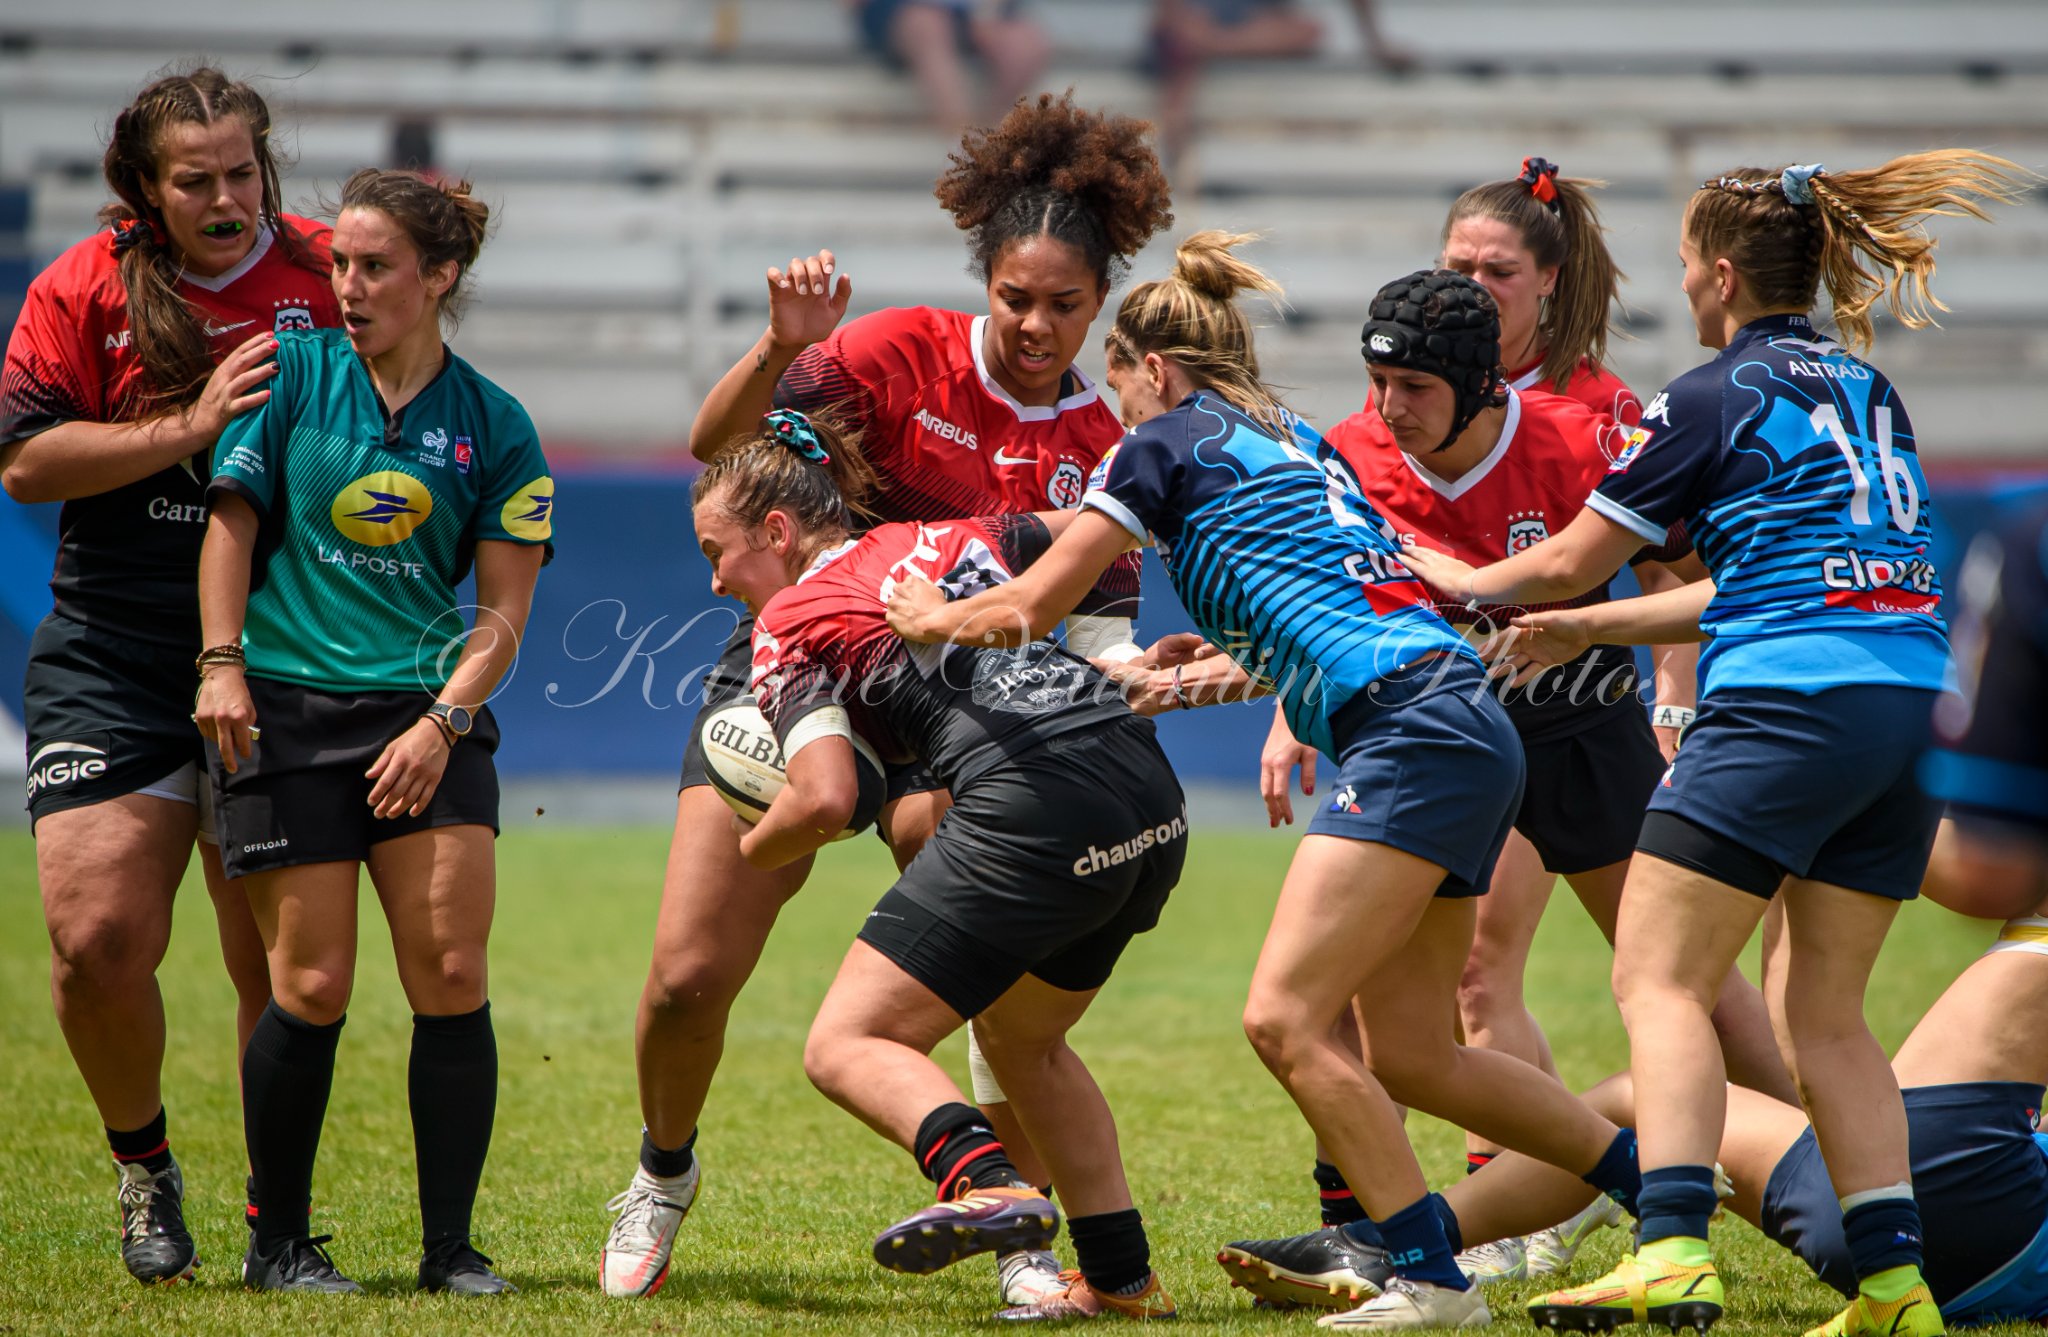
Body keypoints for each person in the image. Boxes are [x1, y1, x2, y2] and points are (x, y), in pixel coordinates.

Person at [889, 231, 1651, 1331]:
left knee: (1283, 1018)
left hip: (1411, 734)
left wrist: (926, 617)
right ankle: (1660, 1187)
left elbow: (1032, 604)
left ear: (1149, 368)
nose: (1113, 416)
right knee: (1412, 1051)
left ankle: (1433, 1283)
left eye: (1115, 386)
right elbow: (1337, 624)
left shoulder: (1154, 446)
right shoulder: (1295, 439)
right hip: (1463, 720)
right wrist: (1194, 673)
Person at [1398, 151, 2032, 1335]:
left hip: (1787, 704)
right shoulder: (1863, 389)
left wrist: (1461, 579)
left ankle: (1671, 1245)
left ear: (1723, 273)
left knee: (1657, 977)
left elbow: (1561, 554)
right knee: (1827, 1016)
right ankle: (1895, 1290)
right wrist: (1583, 627)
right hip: (1905, 698)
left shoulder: (1704, 396)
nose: (1683, 284)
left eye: (1687, 263)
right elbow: (1761, 581)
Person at [600, 92, 1173, 1305]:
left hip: (953, 716)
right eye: (1014, 297)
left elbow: (1099, 630)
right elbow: (725, 451)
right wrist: (777, 345)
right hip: (802, 665)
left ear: (1101, 297)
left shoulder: (1094, 438)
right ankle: (661, 1169)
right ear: (984, 278)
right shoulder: (891, 353)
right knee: (686, 976)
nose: (1034, 324)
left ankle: (1016, 1237)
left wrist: (1161, 679)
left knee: (984, 957)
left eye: (1064, 305)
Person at [1231, 267, 1789, 1294]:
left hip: (1581, 731)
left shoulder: (1581, 435)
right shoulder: (1348, 453)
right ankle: (1380, 1229)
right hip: (1434, 737)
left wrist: (1672, 710)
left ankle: (1825, 1168)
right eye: (1375, 379)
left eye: (1411, 387)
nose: (1385, 406)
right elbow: (1328, 605)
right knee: (1409, 986)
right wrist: (1283, 712)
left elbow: (1687, 573)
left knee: (1690, 980)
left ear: (1478, 382)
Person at [688, 408, 1185, 1319]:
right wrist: (1118, 655)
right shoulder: (947, 533)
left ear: (777, 531)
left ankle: (986, 1182)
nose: (718, 580)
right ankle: (1120, 1280)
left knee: (847, 1042)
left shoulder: (789, 620)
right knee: (1025, 1040)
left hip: (1032, 805)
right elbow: (1102, 525)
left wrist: (754, 840)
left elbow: (826, 797)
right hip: (1148, 791)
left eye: (719, 552)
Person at [0, 67, 337, 1285]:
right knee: (96, 941)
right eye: (195, 179)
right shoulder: (80, 287)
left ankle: (275, 1221)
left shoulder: (326, 275)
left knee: (271, 965)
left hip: (294, 650)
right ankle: (143, 1164)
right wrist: (187, 427)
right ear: (142, 188)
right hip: (115, 647)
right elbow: (28, 465)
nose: (226, 196)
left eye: (243, 171)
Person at [192, 168, 553, 1295]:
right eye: (340, 263)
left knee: (449, 968)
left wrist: (443, 721)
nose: (347, 286)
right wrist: (222, 664)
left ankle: (450, 1250)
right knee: (310, 983)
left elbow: (500, 616)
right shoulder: (288, 378)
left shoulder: (495, 423)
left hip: (425, 721)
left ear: (440, 277)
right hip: (283, 713)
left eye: (376, 266)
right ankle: (278, 1245)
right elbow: (229, 531)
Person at [1148, 0, 1418, 170]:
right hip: (1193, 25)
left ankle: (1209, 44)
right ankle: (1173, 148)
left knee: (1307, 31)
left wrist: (1377, 44)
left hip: (1243, 24)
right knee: (1179, 48)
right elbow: (1168, 19)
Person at [847, 0, 1050, 134]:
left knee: (1026, 45)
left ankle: (991, 137)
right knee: (928, 27)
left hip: (972, 11)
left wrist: (986, 14)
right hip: (902, 11)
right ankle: (960, 141)